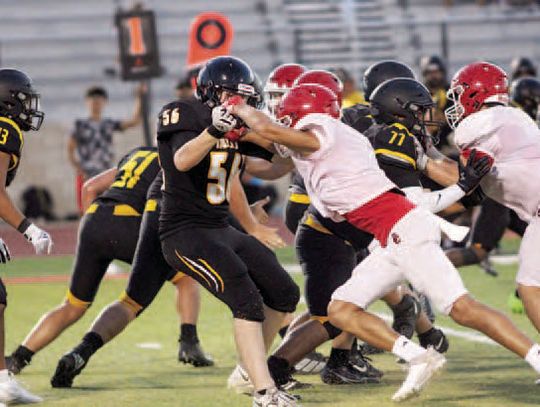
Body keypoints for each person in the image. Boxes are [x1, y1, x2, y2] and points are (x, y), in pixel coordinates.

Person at [229, 82, 540, 402]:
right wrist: (237, 132)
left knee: (462, 308)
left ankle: (537, 358)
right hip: (390, 235)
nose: (286, 123)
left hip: (405, 231)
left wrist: (238, 107)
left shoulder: (322, 130)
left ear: (306, 117)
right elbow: (271, 139)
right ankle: (420, 358)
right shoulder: (331, 139)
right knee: (340, 309)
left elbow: (271, 130)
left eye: (291, 117)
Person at [157, 56, 300, 407]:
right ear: (212, 92)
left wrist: (287, 149)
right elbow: (182, 160)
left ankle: (248, 370)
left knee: (284, 293)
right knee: (246, 299)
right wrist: (213, 130)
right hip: (184, 231)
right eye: (236, 95)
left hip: (220, 227)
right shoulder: (183, 112)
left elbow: (269, 167)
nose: (243, 104)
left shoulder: (235, 126)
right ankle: (265, 392)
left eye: (247, 97)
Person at [427, 61, 540, 343]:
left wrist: (422, 156)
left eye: (459, 94)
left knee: (530, 289)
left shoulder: (474, 126)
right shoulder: (517, 117)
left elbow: (466, 184)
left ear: (475, 93)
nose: (456, 104)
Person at [0, 68, 53, 404]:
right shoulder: (5, 128)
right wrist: (28, 229)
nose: (27, 107)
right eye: (22, 99)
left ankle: (3, 381)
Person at [67, 85, 144, 213]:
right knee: (86, 211)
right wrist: (79, 169)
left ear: (105, 102)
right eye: (93, 100)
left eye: (99, 101)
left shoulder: (108, 124)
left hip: (105, 173)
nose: (96, 104)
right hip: (87, 173)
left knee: (106, 209)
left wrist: (139, 98)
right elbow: (70, 150)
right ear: (87, 102)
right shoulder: (79, 125)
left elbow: (134, 121)